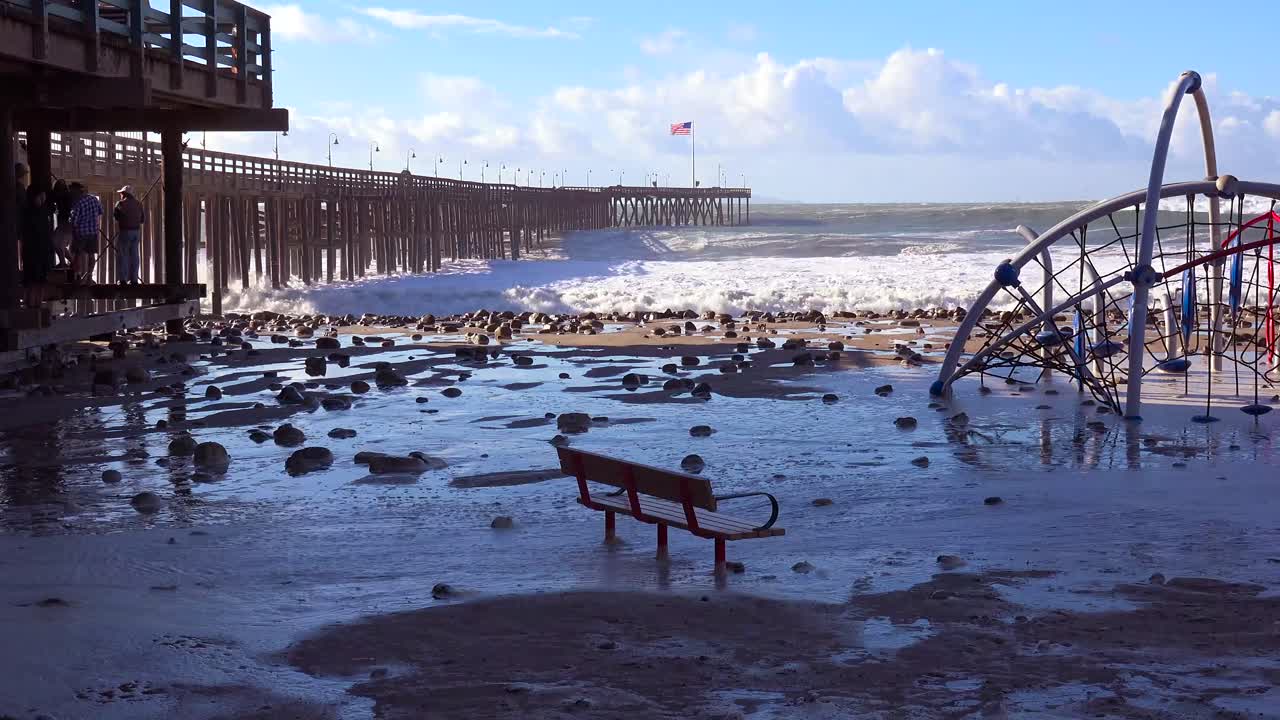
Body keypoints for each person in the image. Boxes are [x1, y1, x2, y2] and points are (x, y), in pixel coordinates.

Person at [21, 184, 54, 305]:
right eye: (41, 196)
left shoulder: (43, 211)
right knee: (32, 281)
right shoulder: (29, 212)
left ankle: (37, 303)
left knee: (40, 281)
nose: (43, 198)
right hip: (33, 251)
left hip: (42, 250)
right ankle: (31, 304)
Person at [69, 182, 103, 282]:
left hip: (80, 233)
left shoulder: (78, 203)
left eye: (72, 191)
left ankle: (78, 276)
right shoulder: (94, 199)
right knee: (91, 255)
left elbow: (74, 221)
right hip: (93, 232)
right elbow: (101, 211)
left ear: (76, 191)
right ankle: (89, 276)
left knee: (78, 254)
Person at [112, 185, 146, 284]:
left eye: (121, 193)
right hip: (136, 232)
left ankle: (123, 279)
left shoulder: (120, 203)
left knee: (123, 255)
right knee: (134, 256)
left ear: (124, 194)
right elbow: (142, 220)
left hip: (125, 231)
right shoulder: (139, 204)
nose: (120, 195)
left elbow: (116, 216)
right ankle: (134, 279)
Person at [50, 178, 72, 268]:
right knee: (58, 244)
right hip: (65, 223)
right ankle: (69, 262)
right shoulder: (65, 196)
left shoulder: (64, 197)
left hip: (66, 223)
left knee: (56, 243)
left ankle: (63, 263)